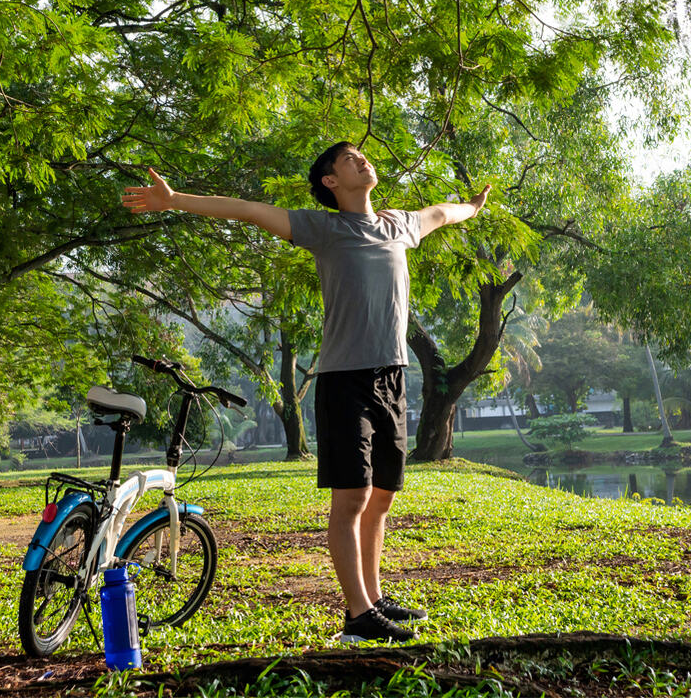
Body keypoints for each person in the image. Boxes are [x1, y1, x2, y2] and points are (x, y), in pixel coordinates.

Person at [122, 142, 489, 643]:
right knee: (353, 496)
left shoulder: (399, 224)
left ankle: (375, 599)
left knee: (382, 495)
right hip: (345, 380)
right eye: (349, 159)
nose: (362, 161)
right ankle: (358, 615)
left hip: (393, 375)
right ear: (331, 182)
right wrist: (175, 199)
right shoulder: (325, 229)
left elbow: (442, 214)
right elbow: (249, 210)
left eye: (363, 155)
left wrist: (473, 207)